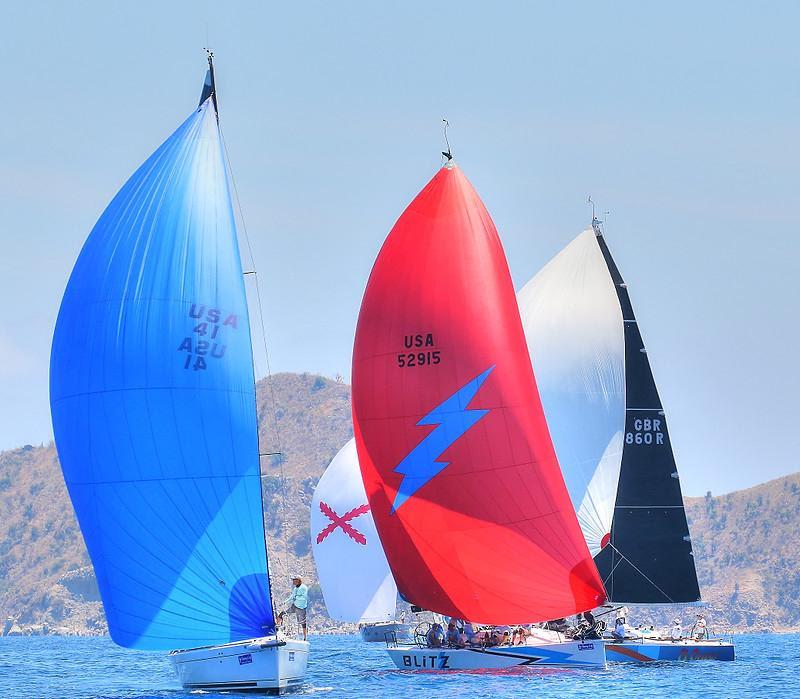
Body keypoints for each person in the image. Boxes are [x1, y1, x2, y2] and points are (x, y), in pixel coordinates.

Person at [278, 575, 308, 641]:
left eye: (293, 580)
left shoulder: (304, 587)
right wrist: (284, 602)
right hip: (294, 606)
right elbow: (292, 597)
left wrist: (296, 598)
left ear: (297, 580)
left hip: (301, 608)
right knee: (282, 613)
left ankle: (305, 638)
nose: (292, 581)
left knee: (303, 623)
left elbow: (304, 597)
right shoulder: (295, 588)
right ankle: (277, 629)